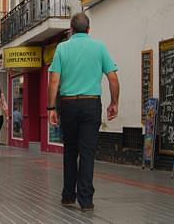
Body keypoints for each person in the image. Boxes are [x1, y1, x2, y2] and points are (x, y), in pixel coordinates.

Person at [48, 12, 120, 212]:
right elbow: (113, 78)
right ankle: (86, 200)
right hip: (91, 104)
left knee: (70, 150)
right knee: (88, 152)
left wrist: (51, 108)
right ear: (89, 30)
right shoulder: (99, 47)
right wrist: (114, 102)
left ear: (71, 30)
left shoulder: (62, 48)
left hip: (68, 104)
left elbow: (54, 80)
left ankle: (68, 196)